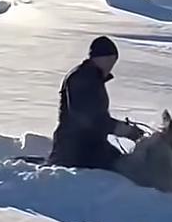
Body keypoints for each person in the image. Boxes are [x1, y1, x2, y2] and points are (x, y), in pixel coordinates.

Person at [48, 36, 144, 170]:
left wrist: (123, 128)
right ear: (100, 58)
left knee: (124, 164)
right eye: (111, 60)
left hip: (91, 145)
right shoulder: (81, 78)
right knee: (120, 172)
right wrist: (121, 129)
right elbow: (86, 117)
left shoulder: (93, 78)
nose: (112, 66)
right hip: (75, 149)